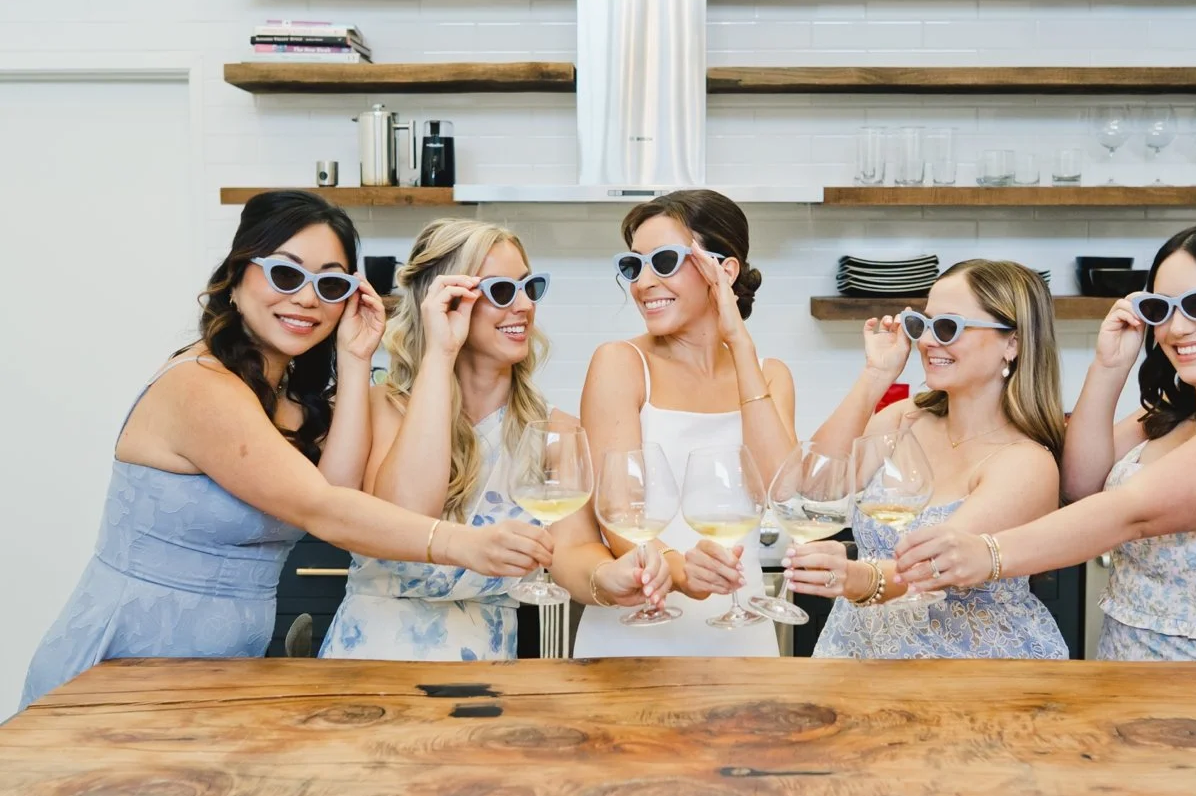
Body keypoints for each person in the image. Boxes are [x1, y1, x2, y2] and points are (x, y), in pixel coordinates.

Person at [21, 192, 553, 709]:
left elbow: (339, 494)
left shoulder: (293, 404)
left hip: (223, 671)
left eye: (330, 283)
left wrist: (353, 356)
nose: (306, 297)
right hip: (127, 664)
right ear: (236, 277)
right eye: (286, 273)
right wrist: (463, 544)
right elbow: (321, 511)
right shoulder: (200, 387)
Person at [896, 222, 1196, 661]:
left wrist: (988, 553)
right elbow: (1078, 484)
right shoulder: (1169, 415)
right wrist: (1109, 366)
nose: (1177, 329)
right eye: (1162, 309)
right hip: (1129, 667)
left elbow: (1130, 513)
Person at [320, 219, 669, 662]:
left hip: (485, 666)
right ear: (444, 304)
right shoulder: (382, 407)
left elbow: (572, 554)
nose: (523, 305)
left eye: (529, 287)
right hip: (373, 656)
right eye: (501, 291)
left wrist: (608, 579)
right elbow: (408, 517)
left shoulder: (553, 430)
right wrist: (440, 352)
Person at [790, 259, 1069, 660]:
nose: (927, 342)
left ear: (1014, 342)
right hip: (860, 652)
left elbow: (933, 568)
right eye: (923, 325)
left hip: (969, 668)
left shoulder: (1026, 463)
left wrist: (852, 577)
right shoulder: (905, 419)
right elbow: (817, 486)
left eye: (948, 328)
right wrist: (875, 375)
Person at [572, 190, 796, 657]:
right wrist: (678, 573)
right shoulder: (621, 363)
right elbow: (618, 517)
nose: (642, 283)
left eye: (665, 261)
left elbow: (785, 491)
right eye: (635, 267)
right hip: (632, 635)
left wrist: (738, 340)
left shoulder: (770, 376)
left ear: (724, 269)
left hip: (742, 631)